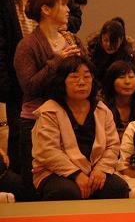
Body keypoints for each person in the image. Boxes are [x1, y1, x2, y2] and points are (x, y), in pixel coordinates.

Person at [0, 0, 81, 174]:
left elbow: (75, 14)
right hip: (20, 69)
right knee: (20, 134)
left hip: (54, 69)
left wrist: (60, 26)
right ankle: (24, 181)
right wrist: (4, 84)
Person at [13, 0, 85, 198]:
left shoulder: (72, 39)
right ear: (46, 9)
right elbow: (29, 86)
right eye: (63, 4)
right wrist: (57, 61)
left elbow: (90, 76)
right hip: (35, 122)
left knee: (75, 182)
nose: (68, 9)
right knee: (34, 190)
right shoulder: (27, 45)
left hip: (71, 120)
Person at [31, 56, 129, 200]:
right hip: (55, 172)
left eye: (87, 77)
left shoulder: (101, 109)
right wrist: (76, 174)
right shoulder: (50, 111)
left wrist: (101, 169)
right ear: (62, 81)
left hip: (94, 170)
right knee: (68, 192)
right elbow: (47, 151)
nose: (82, 82)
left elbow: (112, 145)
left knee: (118, 188)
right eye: (74, 77)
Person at [100, 61, 135, 138]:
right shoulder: (101, 104)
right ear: (111, 81)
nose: (127, 82)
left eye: (131, 77)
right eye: (121, 77)